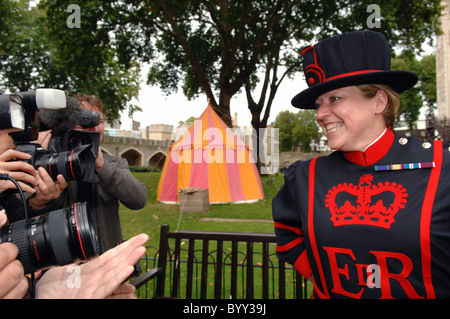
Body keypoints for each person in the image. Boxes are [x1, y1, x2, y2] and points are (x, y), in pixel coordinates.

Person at [272, 30, 450, 299]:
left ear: (379, 101)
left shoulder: (443, 168)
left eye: (335, 98)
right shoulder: (306, 177)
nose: (320, 114)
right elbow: (288, 235)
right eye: (319, 103)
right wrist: (325, 282)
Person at [63, 94, 147, 253]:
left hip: (106, 257)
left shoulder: (114, 164)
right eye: (86, 120)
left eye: (99, 121)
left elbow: (139, 199)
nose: (94, 127)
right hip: (65, 263)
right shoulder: (55, 163)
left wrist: (101, 166)